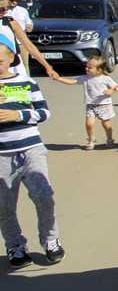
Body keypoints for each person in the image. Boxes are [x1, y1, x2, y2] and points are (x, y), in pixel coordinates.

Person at [0, 34, 62, 268]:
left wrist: (19, 115)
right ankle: (15, 245)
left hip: (31, 149)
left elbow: (44, 113)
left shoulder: (25, 84)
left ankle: (50, 239)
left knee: (44, 196)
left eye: (0, 60)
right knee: (5, 205)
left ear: (11, 58)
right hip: (2, 155)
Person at [51, 55, 118, 149]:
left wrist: (111, 91)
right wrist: (58, 78)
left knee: (106, 124)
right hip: (90, 105)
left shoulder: (105, 78)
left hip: (104, 105)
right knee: (89, 124)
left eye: (90, 67)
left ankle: (110, 139)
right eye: (86, 66)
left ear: (99, 70)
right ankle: (91, 139)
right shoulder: (85, 78)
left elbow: (116, 87)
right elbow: (72, 81)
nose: (86, 68)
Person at [0, 0, 59, 80]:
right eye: (1, 9)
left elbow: (29, 45)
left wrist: (47, 66)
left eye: (6, 8)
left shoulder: (10, 22)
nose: (4, 12)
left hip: (11, 68)